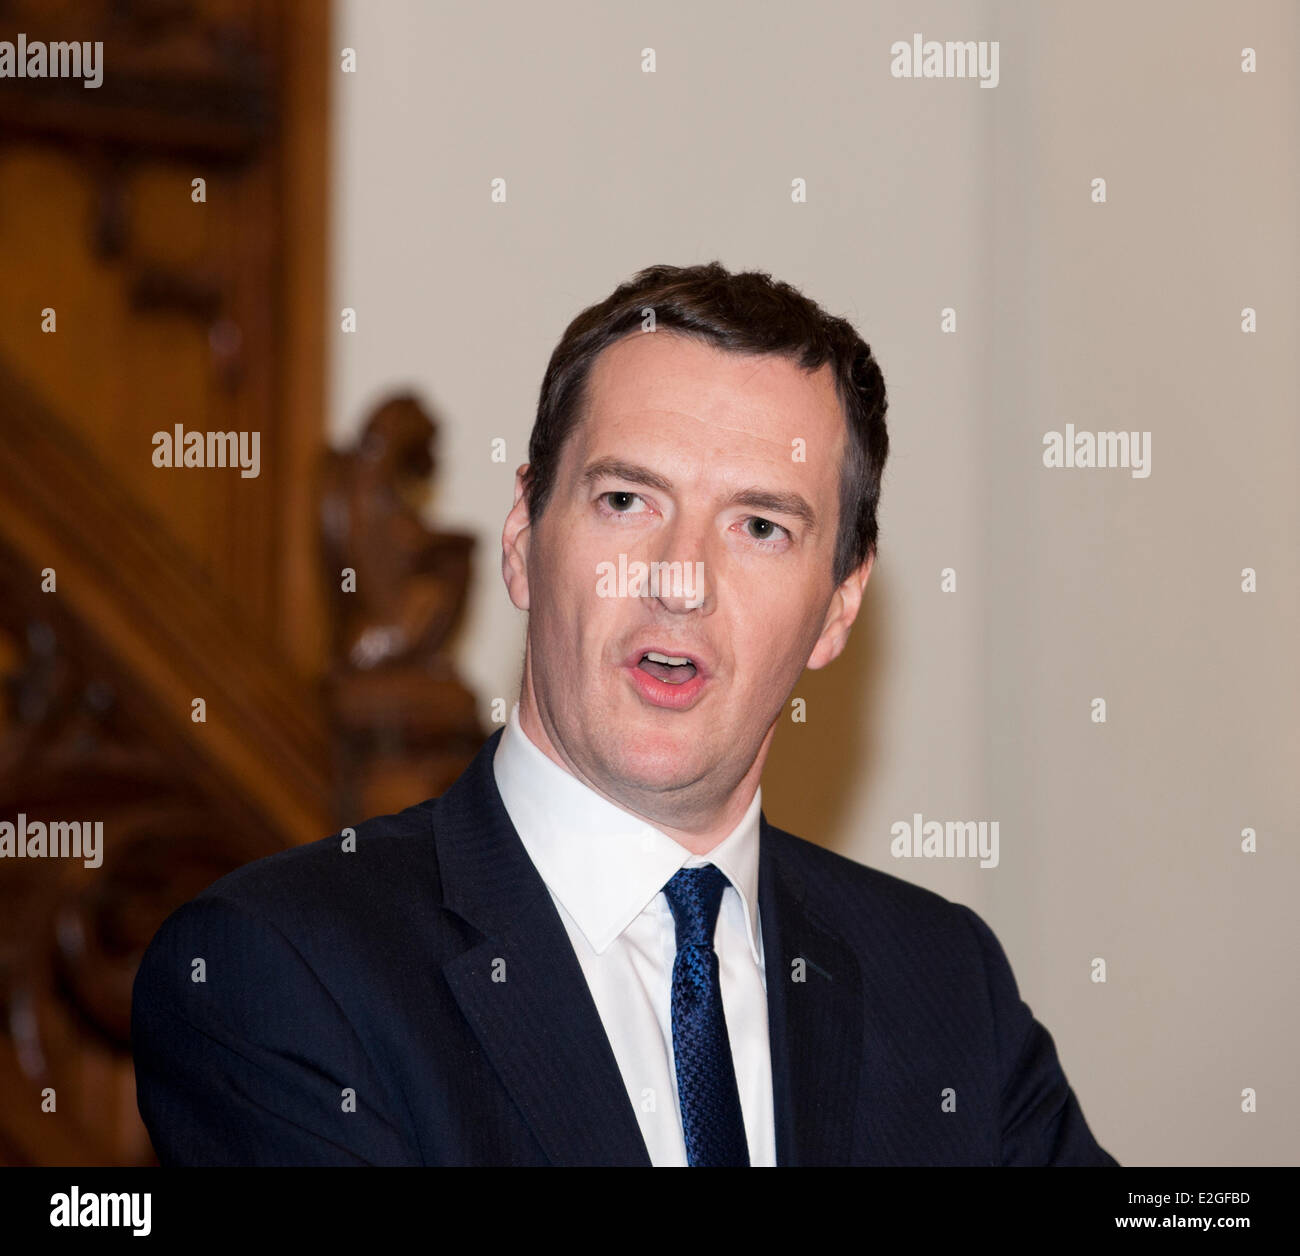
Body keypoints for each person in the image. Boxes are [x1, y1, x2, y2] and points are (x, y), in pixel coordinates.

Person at [131, 262, 1117, 1167]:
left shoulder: (943, 984)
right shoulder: (281, 972)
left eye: (760, 526)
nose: (681, 579)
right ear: (523, 535)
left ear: (838, 605)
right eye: (626, 501)